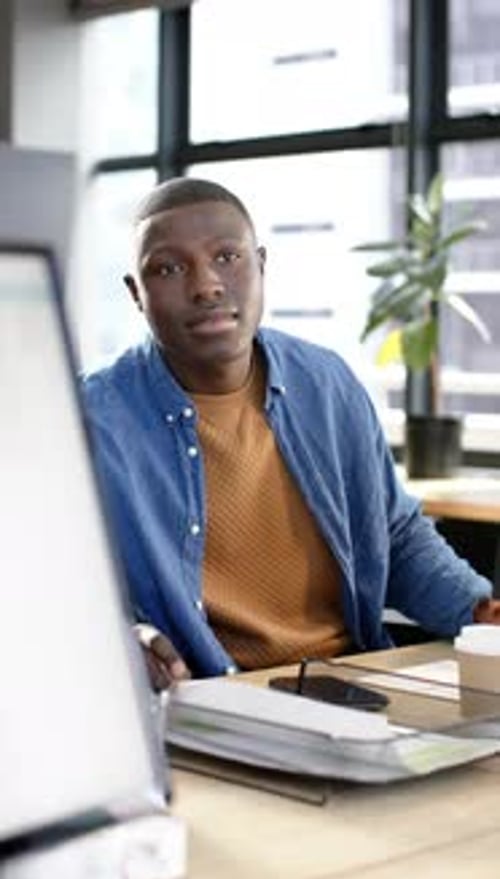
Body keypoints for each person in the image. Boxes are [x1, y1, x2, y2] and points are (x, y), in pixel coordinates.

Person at [81, 176, 500, 688]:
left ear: (261, 264)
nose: (206, 285)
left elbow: (394, 535)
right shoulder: (89, 419)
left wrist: (478, 609)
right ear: (135, 293)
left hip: (354, 679)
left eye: (227, 258)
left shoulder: (327, 383)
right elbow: (50, 585)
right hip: (210, 699)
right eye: (168, 268)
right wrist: (124, 641)